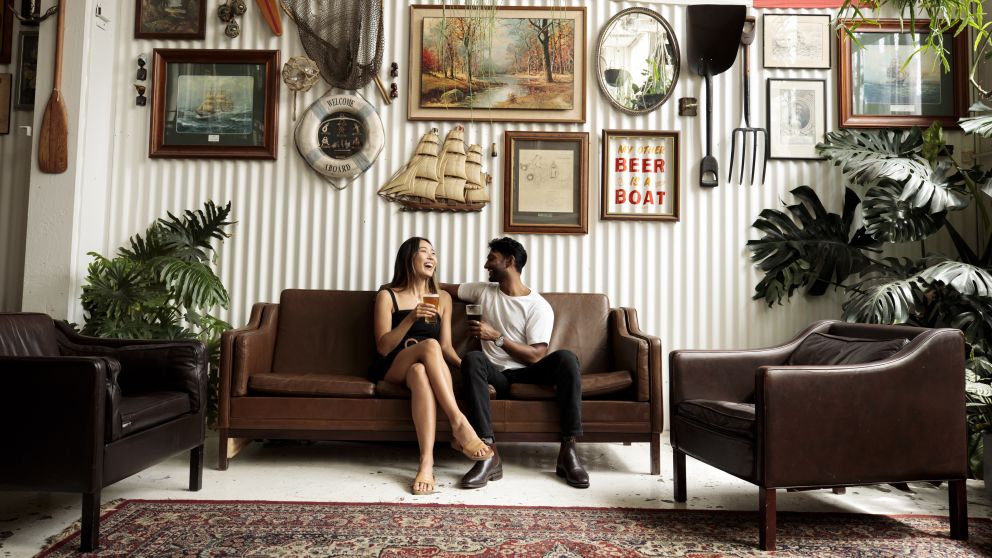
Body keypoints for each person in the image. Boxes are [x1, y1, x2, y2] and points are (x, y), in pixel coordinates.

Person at [443, 237, 589, 489]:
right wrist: (401, 284)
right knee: (473, 358)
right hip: (496, 375)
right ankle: (488, 454)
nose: (486, 265)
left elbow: (535, 356)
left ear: (509, 261)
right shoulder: (481, 291)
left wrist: (496, 337)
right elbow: (443, 287)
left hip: (528, 373)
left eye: (492, 258)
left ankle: (569, 451)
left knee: (566, 358)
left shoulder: (538, 306)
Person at [370, 237, 493, 495]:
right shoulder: (387, 295)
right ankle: (459, 423)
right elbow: (383, 347)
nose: (431, 257)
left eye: (434, 253)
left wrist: (472, 373)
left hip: (425, 364)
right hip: (394, 363)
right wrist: (410, 318)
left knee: (421, 371)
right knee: (429, 346)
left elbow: (447, 347)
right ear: (408, 258)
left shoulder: (443, 298)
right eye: (423, 252)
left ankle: (426, 462)